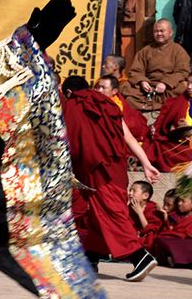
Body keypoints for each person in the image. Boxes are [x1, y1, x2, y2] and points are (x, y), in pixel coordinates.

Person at [64, 82, 161, 280]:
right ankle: (90, 258)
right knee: (97, 214)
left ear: (68, 92)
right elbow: (130, 138)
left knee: (111, 213)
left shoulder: (74, 104)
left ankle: (139, 256)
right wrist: (146, 163)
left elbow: (69, 140)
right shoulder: (108, 105)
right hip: (116, 168)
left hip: (96, 170)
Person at [122, 19, 190, 111]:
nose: (159, 34)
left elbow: (183, 71)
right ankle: (153, 105)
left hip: (169, 88)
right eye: (156, 31)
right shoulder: (145, 51)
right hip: (147, 88)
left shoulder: (178, 51)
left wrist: (165, 83)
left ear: (170, 32)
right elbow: (135, 71)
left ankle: (151, 105)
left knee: (184, 86)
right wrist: (142, 82)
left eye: (162, 31)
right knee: (124, 86)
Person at [143, 72, 192, 172]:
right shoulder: (178, 101)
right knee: (161, 148)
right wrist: (157, 129)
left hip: (191, 145)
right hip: (178, 142)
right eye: (188, 83)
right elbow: (163, 124)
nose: (189, 87)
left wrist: (190, 129)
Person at [93, 75, 150, 146]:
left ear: (114, 91)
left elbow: (128, 129)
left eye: (103, 88)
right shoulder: (92, 99)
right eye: (98, 87)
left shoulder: (117, 105)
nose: (99, 90)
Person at [154, 192, 192, 267]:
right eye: (178, 200)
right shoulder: (174, 216)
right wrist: (166, 219)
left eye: (183, 201)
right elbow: (168, 232)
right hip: (176, 241)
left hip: (188, 242)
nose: (179, 203)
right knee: (161, 239)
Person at [128, 180, 163, 250]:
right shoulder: (129, 207)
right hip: (133, 237)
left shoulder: (153, 209)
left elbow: (151, 231)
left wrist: (140, 213)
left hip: (146, 239)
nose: (130, 193)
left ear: (145, 195)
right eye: (130, 190)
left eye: (134, 191)